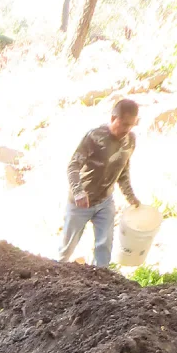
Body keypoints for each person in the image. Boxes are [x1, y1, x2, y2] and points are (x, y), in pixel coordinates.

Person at [60, 98, 142, 268]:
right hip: (80, 203)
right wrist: (78, 192)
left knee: (104, 247)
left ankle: (101, 284)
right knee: (67, 249)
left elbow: (123, 172)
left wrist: (131, 198)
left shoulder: (130, 140)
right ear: (113, 119)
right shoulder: (95, 137)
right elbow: (73, 166)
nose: (127, 129)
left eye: (132, 125)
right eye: (124, 124)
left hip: (105, 201)